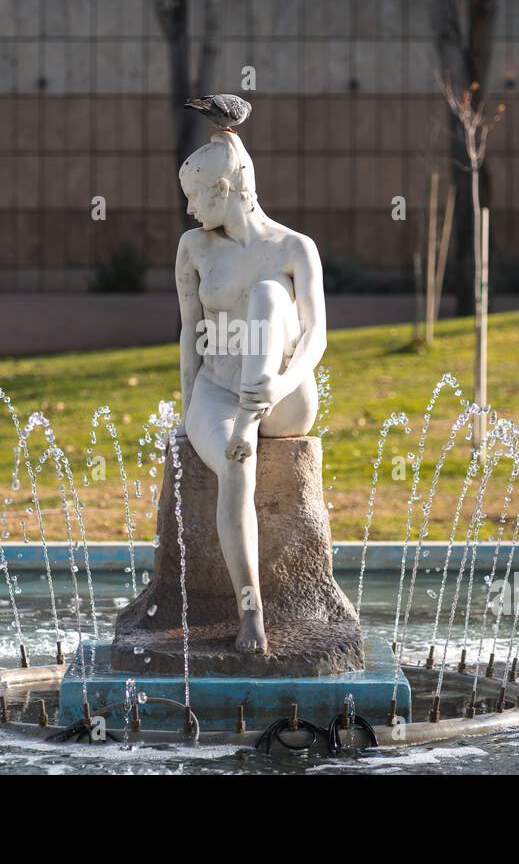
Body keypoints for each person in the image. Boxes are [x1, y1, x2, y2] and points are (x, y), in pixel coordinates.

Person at [174, 130, 327, 655]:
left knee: (268, 294)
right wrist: (187, 408)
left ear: (223, 188)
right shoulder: (194, 249)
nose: (190, 209)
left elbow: (316, 335)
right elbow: (189, 332)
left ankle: (249, 418)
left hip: (282, 394)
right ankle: (251, 611)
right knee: (237, 467)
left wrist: (279, 383)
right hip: (218, 389)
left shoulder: (293, 248)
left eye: (196, 196)